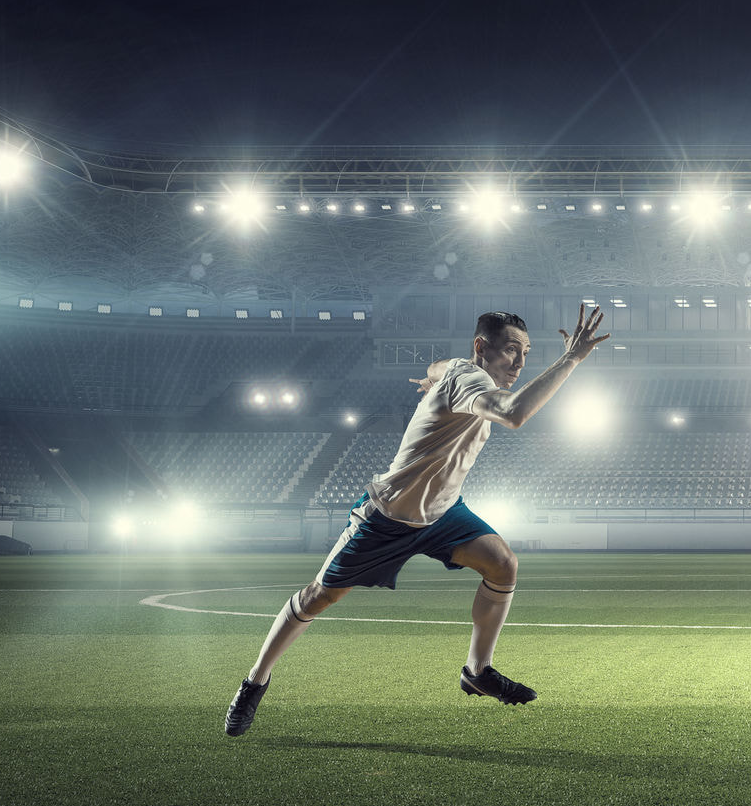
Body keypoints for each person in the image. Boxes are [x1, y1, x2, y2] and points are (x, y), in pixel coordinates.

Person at [223, 306, 610, 737]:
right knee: (319, 596)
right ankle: (254, 682)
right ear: (482, 348)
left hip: (442, 513)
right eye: (510, 351)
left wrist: (434, 376)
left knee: (503, 563)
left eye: (526, 352)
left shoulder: (458, 370)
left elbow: (439, 364)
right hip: (388, 516)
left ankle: (477, 670)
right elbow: (515, 414)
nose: (520, 362)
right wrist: (571, 358)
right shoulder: (470, 380)